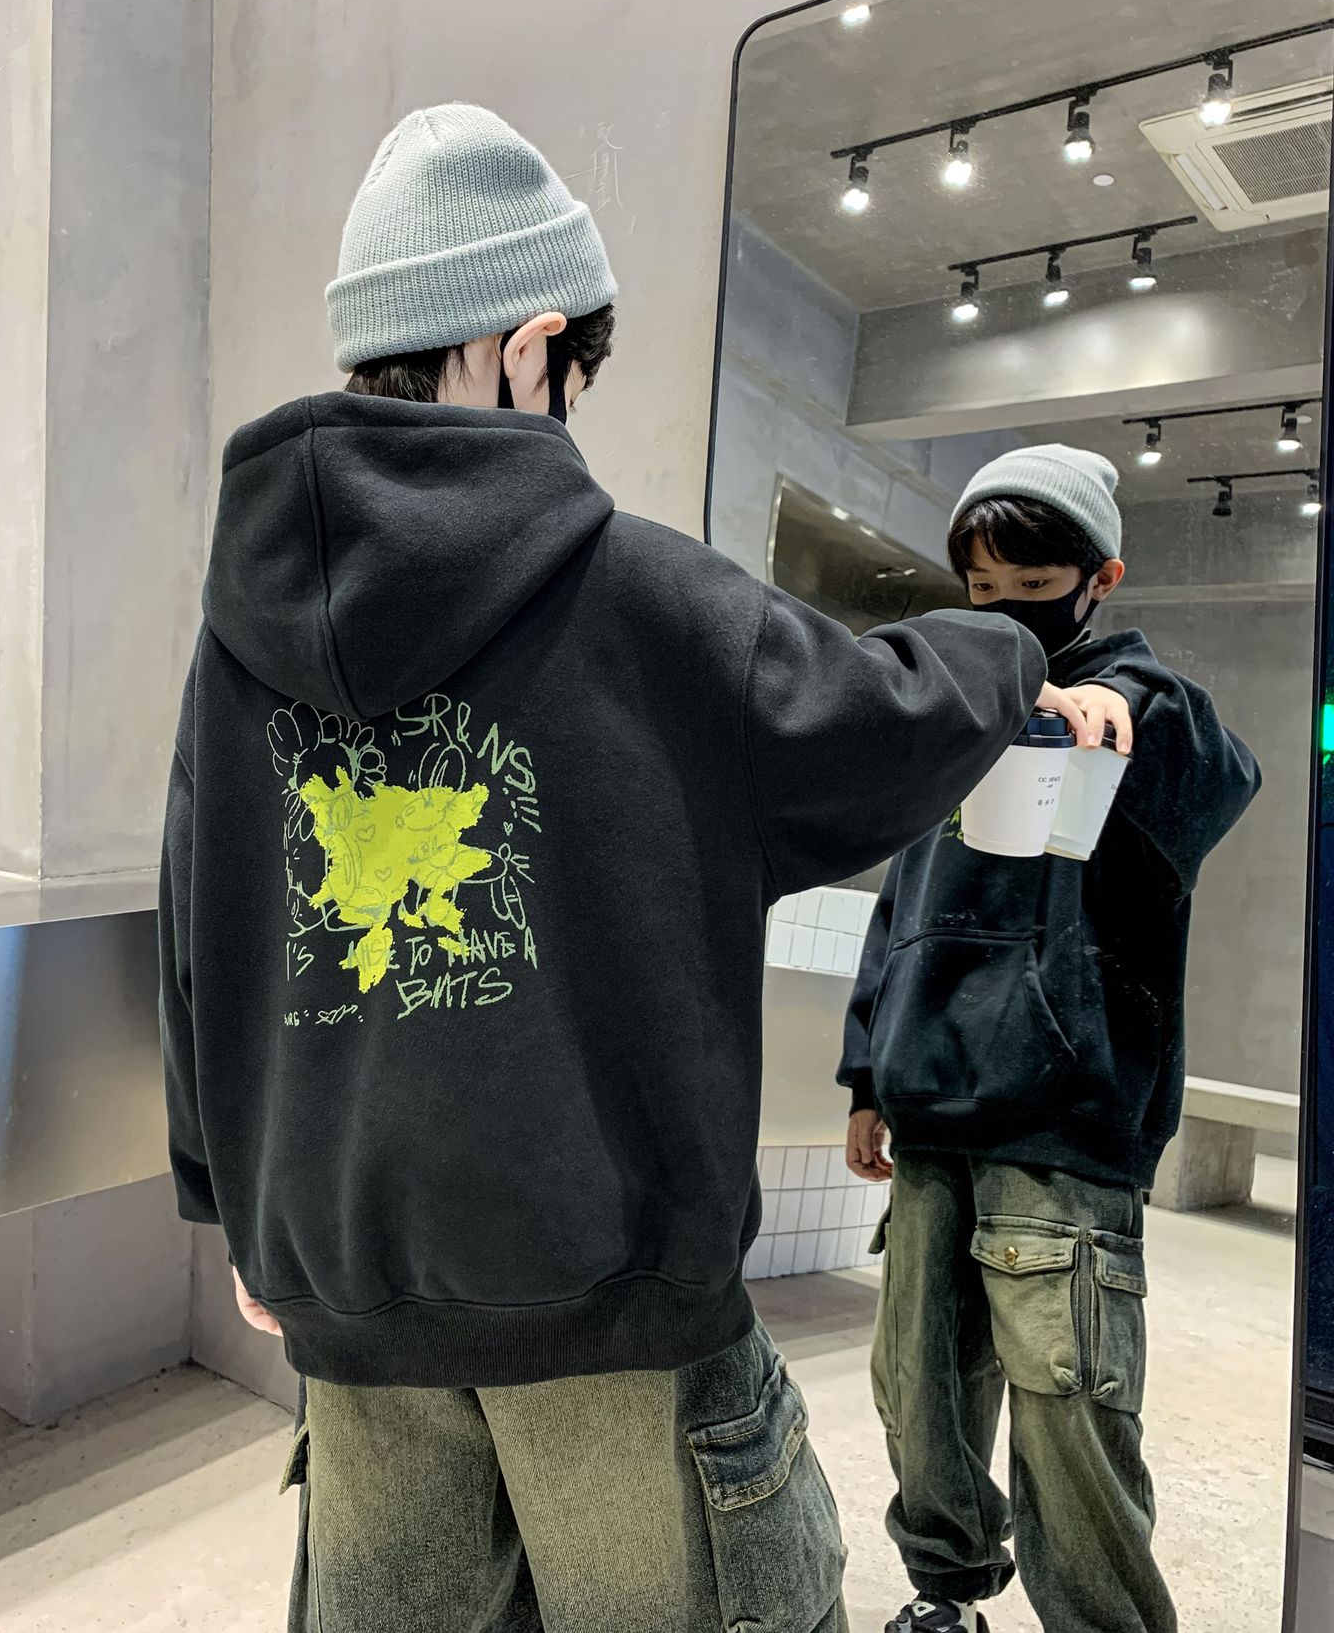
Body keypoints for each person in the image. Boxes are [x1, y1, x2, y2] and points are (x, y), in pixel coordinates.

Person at [159, 102, 1049, 1633]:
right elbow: (884, 721)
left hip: (346, 1296)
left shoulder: (232, 639)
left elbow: (196, 930)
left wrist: (226, 1195)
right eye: (572, 377)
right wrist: (1012, 645)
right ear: (527, 347)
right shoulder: (642, 597)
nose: (568, 412)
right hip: (614, 1309)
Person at [839, 444, 1262, 1633]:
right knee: (920, 1387)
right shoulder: (958, 705)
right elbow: (901, 900)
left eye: (1034, 591)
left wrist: (1133, 701)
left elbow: (1225, 775)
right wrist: (868, 1069)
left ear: (1098, 579)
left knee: (1070, 1400)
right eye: (984, 591)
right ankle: (946, 1595)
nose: (1008, 613)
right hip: (933, 1096)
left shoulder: (1142, 716)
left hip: (1066, 1112)